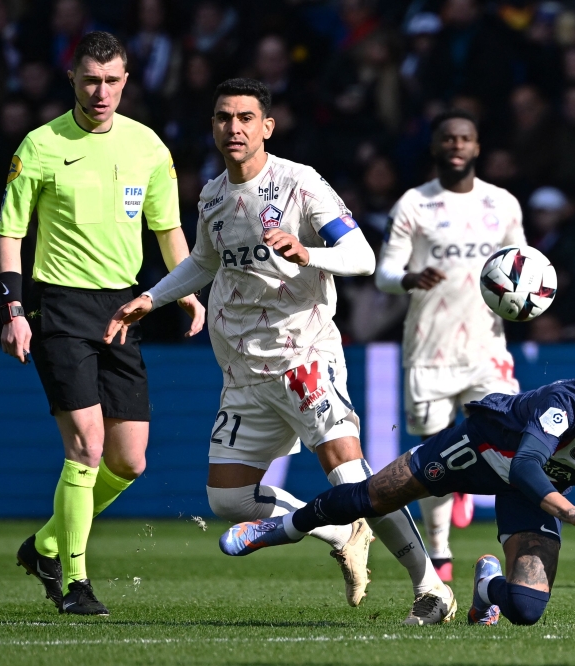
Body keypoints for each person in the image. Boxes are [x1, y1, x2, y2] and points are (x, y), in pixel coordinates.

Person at [103, 78, 457, 625]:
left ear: (267, 126)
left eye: (246, 117)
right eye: (224, 117)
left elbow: (361, 256)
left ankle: (431, 588)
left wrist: (307, 251)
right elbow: (202, 261)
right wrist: (151, 298)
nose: (234, 127)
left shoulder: (299, 183)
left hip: (305, 358)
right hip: (242, 370)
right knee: (228, 502)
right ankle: (338, 526)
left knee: (350, 474)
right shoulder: (214, 194)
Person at [219, 357, 575, 630]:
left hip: (530, 491)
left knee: (528, 611)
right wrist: (571, 514)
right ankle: (280, 528)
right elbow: (530, 465)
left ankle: (487, 583)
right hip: (479, 449)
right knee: (370, 497)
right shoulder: (563, 401)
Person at [0, 31, 205, 616]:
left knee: (130, 461)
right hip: (58, 306)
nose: (101, 91)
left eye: (112, 81)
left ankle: (44, 546)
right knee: (85, 447)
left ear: (126, 82)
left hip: (123, 309)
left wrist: (183, 290)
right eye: (91, 79)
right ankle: (74, 581)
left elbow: (166, 229)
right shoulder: (39, 145)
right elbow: (10, 233)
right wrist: (13, 310)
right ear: (73, 79)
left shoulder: (148, 148)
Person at [375, 109, 525, 582]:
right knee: (434, 457)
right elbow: (383, 275)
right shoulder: (414, 205)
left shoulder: (502, 204)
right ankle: (439, 548)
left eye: (466, 138)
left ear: (477, 147)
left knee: (507, 438)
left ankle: (476, 503)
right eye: (448, 138)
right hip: (428, 350)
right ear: (436, 147)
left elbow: (524, 268)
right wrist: (411, 277)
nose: (457, 145)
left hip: (486, 348)